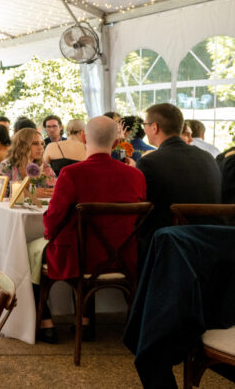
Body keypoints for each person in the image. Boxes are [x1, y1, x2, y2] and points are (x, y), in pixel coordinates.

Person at [34, 116, 147, 343]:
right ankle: (83, 322)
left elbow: (53, 219)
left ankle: (46, 324)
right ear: (116, 143)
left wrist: (49, 235)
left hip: (79, 258)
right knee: (84, 240)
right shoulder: (136, 175)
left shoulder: (72, 173)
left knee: (30, 251)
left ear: (84, 138)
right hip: (125, 258)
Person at [136, 103, 222, 249]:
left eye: (145, 124)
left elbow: (141, 210)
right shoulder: (208, 158)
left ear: (154, 127)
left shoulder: (149, 162)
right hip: (211, 244)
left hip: (169, 247)